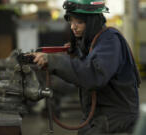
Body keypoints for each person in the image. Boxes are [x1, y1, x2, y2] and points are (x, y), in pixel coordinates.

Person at [28, 0, 141, 134]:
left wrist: (54, 61)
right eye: (71, 21)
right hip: (99, 115)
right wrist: (76, 53)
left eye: (79, 22)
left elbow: (94, 75)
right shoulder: (93, 41)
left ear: (93, 22)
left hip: (117, 119)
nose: (73, 27)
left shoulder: (110, 41)